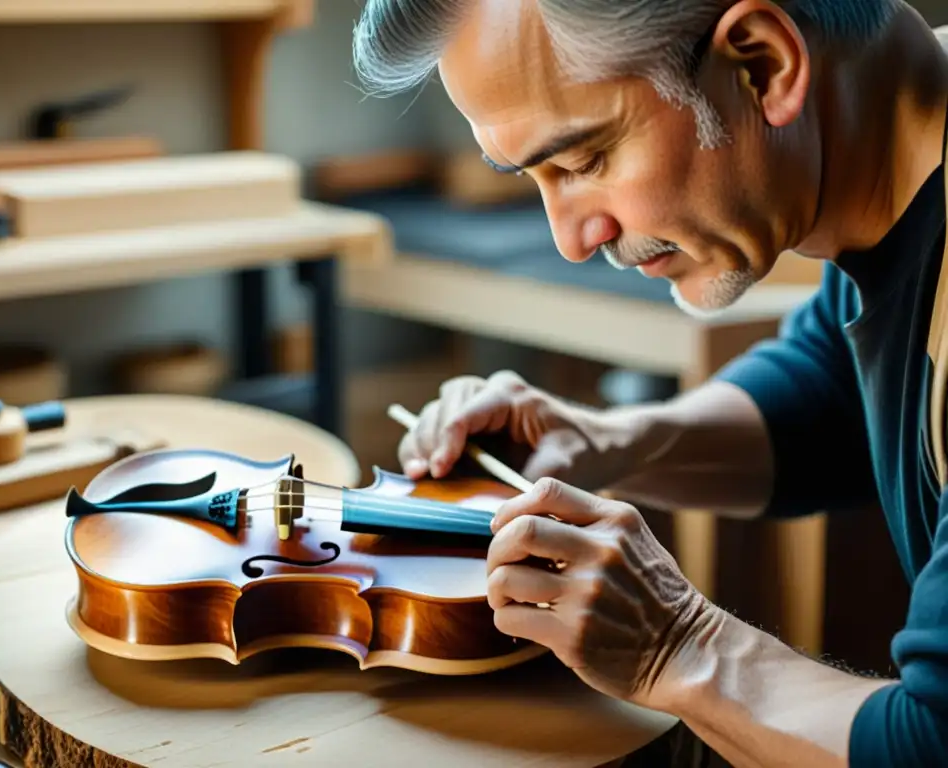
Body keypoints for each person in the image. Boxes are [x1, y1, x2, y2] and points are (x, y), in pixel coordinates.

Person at [350, 1, 948, 766]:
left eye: (584, 160)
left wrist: (680, 646)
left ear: (763, 65)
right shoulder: (901, 154)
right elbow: (831, 393)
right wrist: (609, 440)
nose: (570, 239)